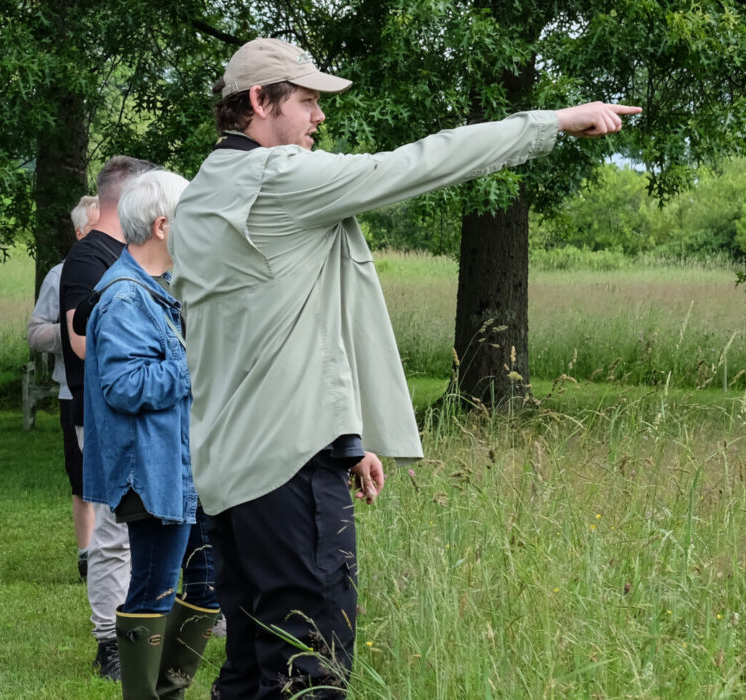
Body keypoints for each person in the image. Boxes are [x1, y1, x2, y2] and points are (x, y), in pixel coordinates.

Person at [170, 38, 640, 697]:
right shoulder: (278, 181)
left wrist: (348, 438)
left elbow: (269, 329)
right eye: (306, 101)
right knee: (312, 671)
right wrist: (552, 122)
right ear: (258, 101)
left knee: (250, 671)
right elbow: (421, 163)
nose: (319, 117)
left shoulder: (195, 201)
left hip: (230, 478)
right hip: (288, 469)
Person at [80, 170, 220, 700]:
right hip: (151, 472)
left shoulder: (163, 290)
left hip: (187, 467)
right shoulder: (124, 297)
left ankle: (170, 692)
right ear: (163, 226)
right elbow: (123, 384)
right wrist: (198, 363)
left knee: (205, 584)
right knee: (154, 589)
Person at [61, 155, 158, 681]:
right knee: (113, 531)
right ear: (132, 197)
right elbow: (78, 342)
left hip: (145, 411)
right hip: (103, 415)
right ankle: (109, 644)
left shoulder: (134, 253)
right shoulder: (88, 258)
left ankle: (156, 625)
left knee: (154, 522)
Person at [28, 195, 98, 581]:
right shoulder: (60, 274)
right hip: (75, 392)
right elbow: (36, 333)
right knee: (83, 478)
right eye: (96, 228)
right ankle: (87, 554)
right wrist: (74, 329)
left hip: (120, 389)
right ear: (79, 232)